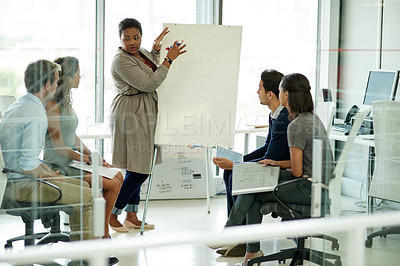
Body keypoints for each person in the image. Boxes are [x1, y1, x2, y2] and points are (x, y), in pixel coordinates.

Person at [224, 73, 334, 266]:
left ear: (285, 95)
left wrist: (274, 166)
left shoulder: (296, 125)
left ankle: (235, 236)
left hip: (310, 188)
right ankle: (247, 247)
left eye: (282, 90)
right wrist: (275, 163)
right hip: (317, 184)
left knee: (255, 190)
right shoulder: (311, 118)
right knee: (256, 182)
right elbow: (300, 163)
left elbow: (298, 172)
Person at [0, 60, 95, 241]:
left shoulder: (20, 105)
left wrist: (50, 172)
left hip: (12, 180)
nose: (58, 85)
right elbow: (28, 168)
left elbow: (29, 160)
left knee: (83, 186)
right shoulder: (36, 114)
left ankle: (80, 251)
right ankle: (88, 258)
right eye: (57, 81)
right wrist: (50, 176)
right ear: (47, 85)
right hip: (20, 186)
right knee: (89, 197)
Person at [109, 18, 187, 231]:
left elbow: (151, 66)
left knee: (138, 165)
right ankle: (112, 213)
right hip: (131, 113)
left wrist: (156, 49)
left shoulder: (139, 52)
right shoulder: (121, 60)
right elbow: (149, 82)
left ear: (141, 37)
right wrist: (169, 60)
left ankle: (131, 215)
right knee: (140, 169)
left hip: (143, 111)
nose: (132, 42)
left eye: (136, 37)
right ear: (120, 39)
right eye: (127, 38)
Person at [212, 69, 290, 257]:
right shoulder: (275, 115)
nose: (257, 92)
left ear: (270, 94)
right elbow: (265, 148)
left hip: (280, 172)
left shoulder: (282, 119)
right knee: (229, 173)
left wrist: (236, 165)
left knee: (234, 173)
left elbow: (270, 157)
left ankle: (237, 236)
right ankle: (239, 237)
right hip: (271, 165)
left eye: (260, 88)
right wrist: (238, 161)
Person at [44, 56, 124, 239]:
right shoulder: (52, 105)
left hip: (72, 161)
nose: (80, 78)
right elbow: (59, 147)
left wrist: (91, 154)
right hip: (59, 164)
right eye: (79, 74)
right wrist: (87, 160)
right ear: (70, 78)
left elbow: (71, 135)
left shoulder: (66, 102)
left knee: (118, 176)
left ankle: (100, 229)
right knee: (112, 184)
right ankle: (102, 233)